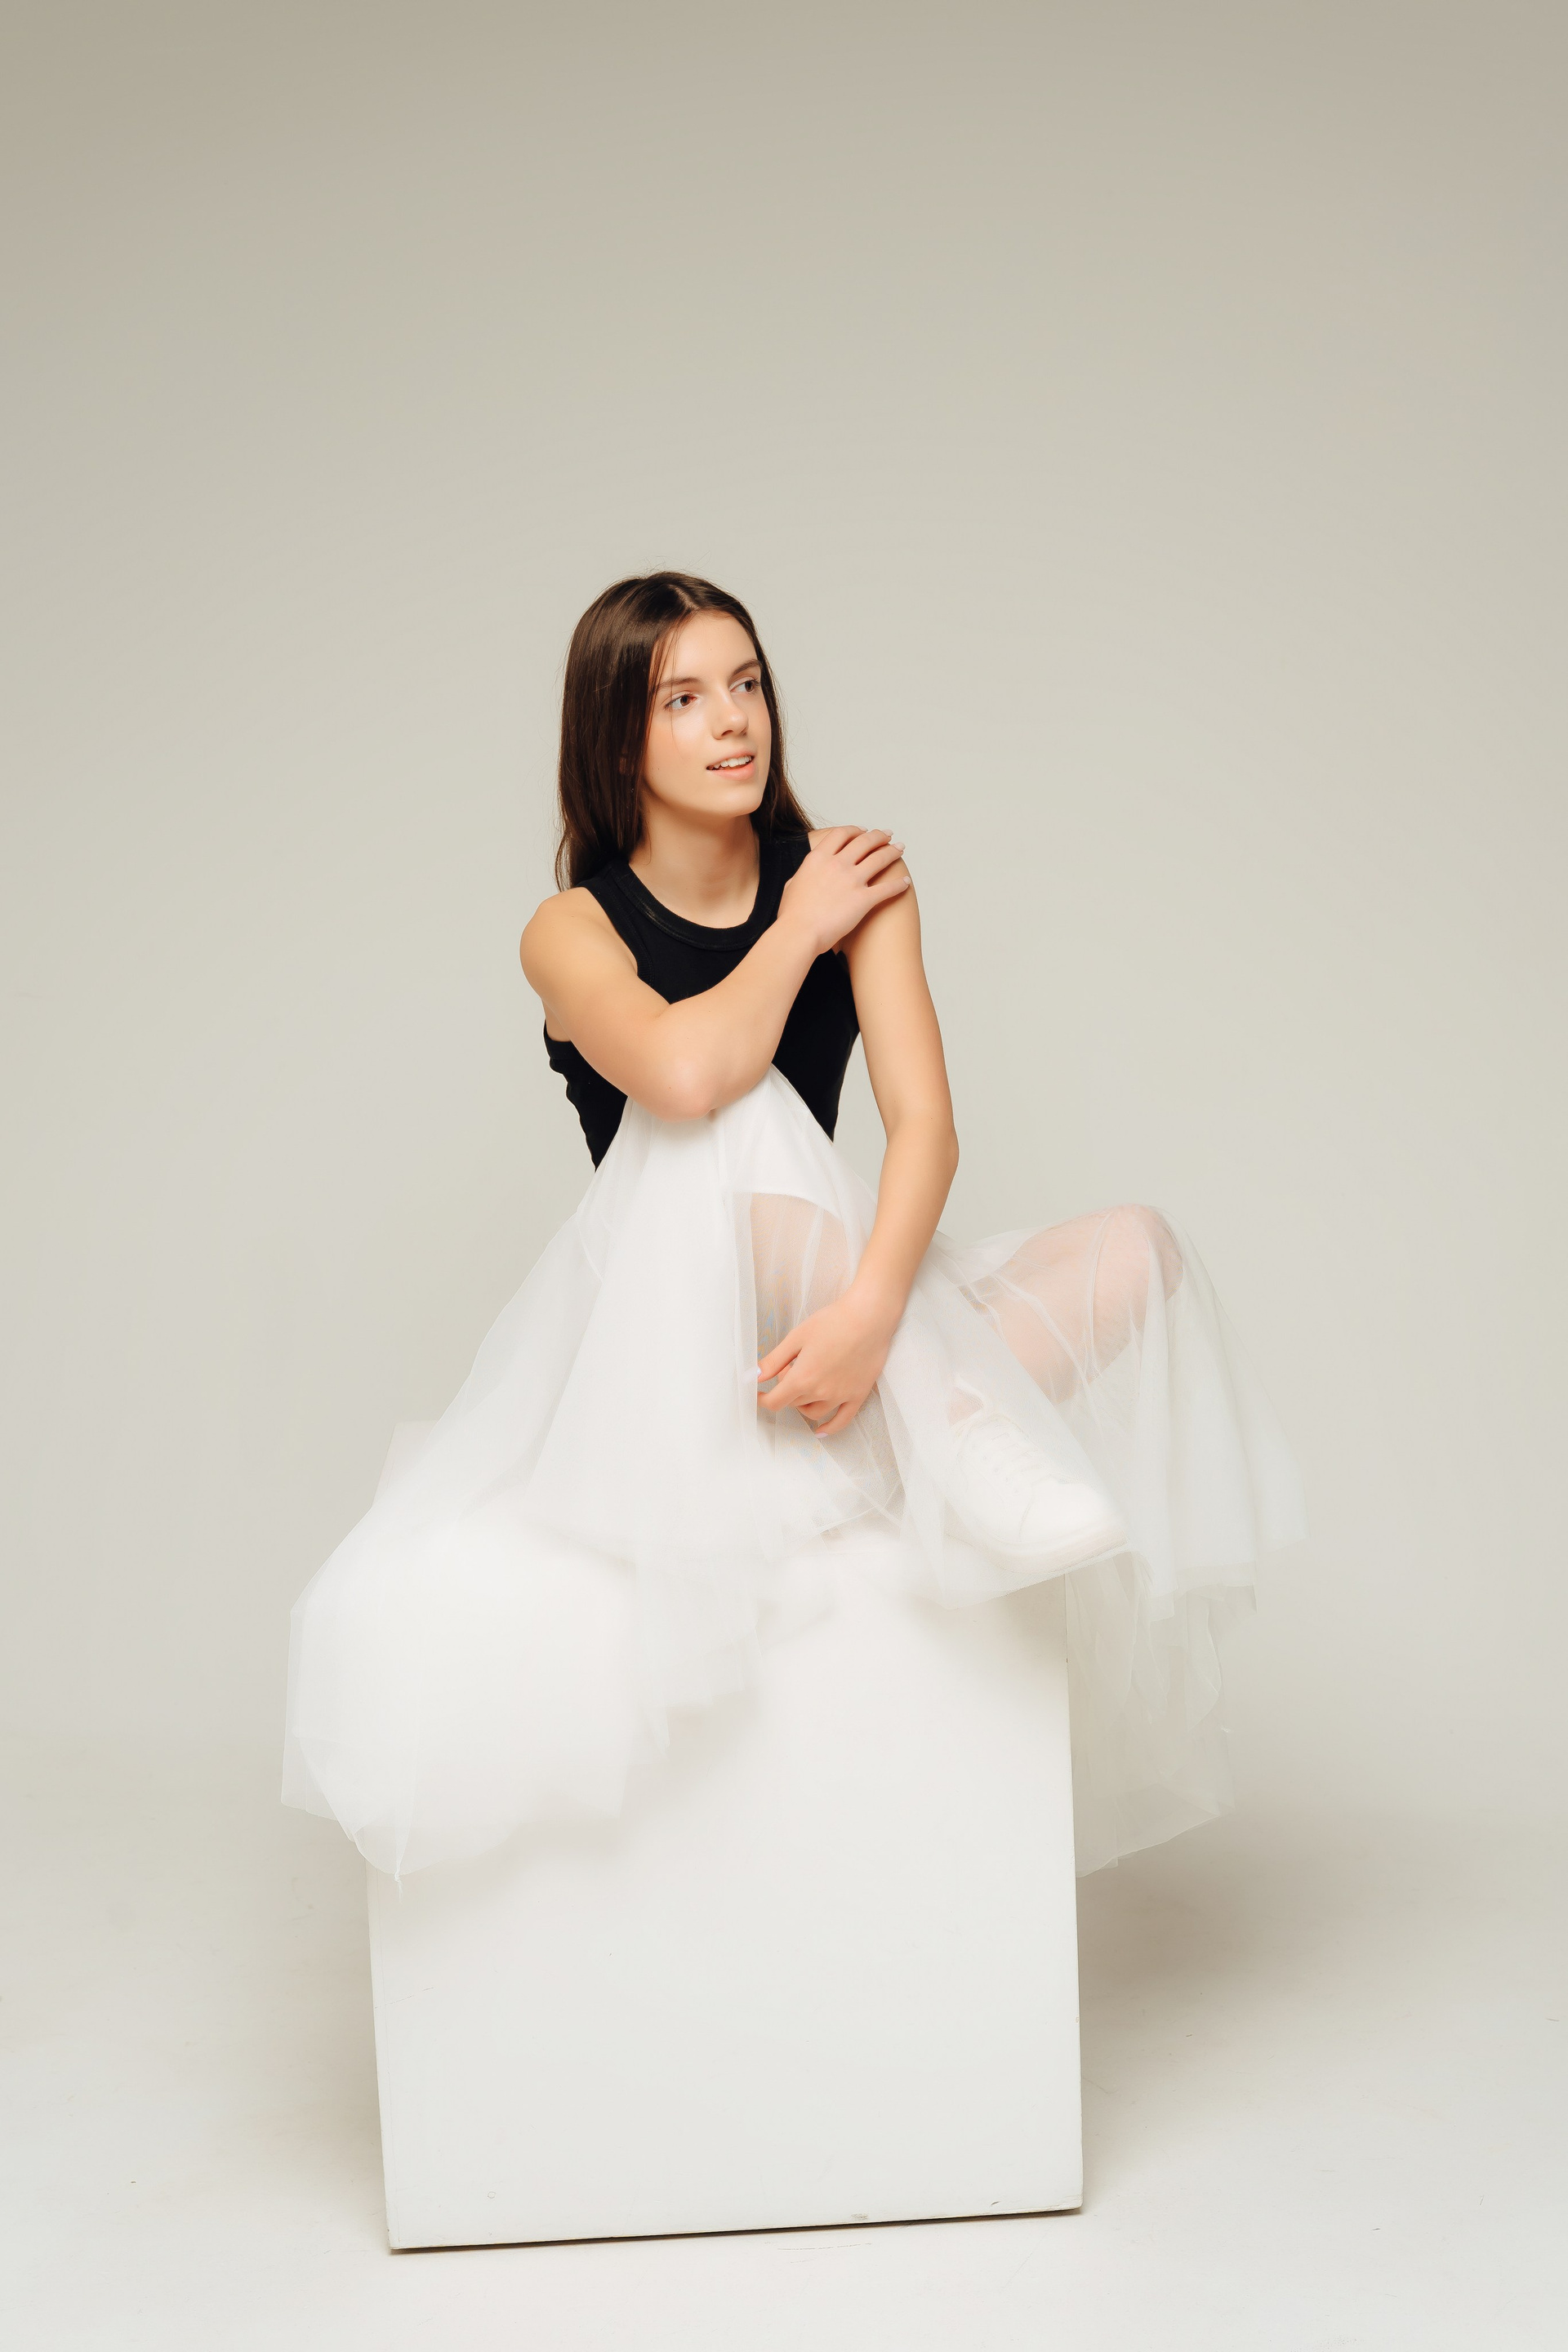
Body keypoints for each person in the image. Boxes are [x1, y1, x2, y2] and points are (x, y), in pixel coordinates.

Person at [283, 572, 1306, 1881]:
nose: (734, 721)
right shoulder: (570, 930)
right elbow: (683, 1075)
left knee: (1139, 1249)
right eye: (685, 699)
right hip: (666, 1339)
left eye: (749, 684)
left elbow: (926, 1128)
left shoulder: (858, 879)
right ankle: (961, 1435)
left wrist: (873, 1314)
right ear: (617, 741)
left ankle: (924, 1417)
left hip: (825, 1321)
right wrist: (799, 927)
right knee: (738, 1108)